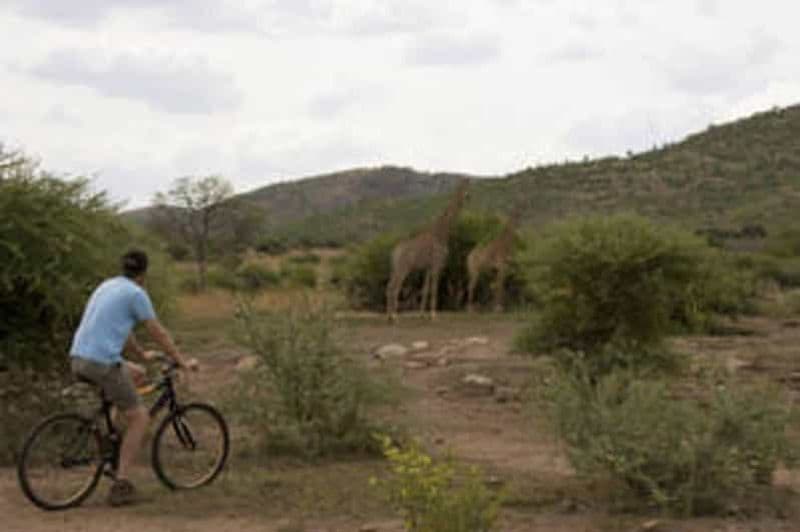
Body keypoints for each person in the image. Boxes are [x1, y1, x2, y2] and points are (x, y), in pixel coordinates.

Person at [70, 249, 195, 506]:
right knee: (140, 417)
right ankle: (121, 484)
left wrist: (141, 355)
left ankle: (112, 438)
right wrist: (181, 361)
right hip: (102, 362)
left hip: (79, 357)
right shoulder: (137, 294)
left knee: (136, 374)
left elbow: (119, 326)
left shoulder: (108, 285)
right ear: (144, 274)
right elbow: (158, 332)